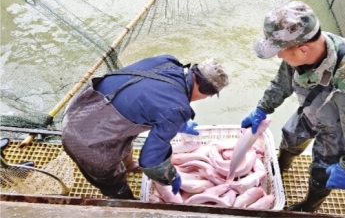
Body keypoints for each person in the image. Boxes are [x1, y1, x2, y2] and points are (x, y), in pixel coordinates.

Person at [241, 1, 345, 212]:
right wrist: (262, 108)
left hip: (341, 127)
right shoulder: (303, 45)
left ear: (302, 50)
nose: (279, 56)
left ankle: (308, 207)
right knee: (290, 137)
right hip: (313, 110)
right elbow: (282, 82)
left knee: (322, 173)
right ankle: (281, 168)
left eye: (279, 52)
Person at [62, 54, 229, 200]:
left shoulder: (167, 61)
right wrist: (170, 177)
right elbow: (150, 162)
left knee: (124, 142)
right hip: (83, 141)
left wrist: (176, 122)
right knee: (112, 182)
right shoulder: (177, 109)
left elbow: (148, 97)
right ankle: (126, 201)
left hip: (81, 108)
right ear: (206, 94)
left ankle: (128, 166)